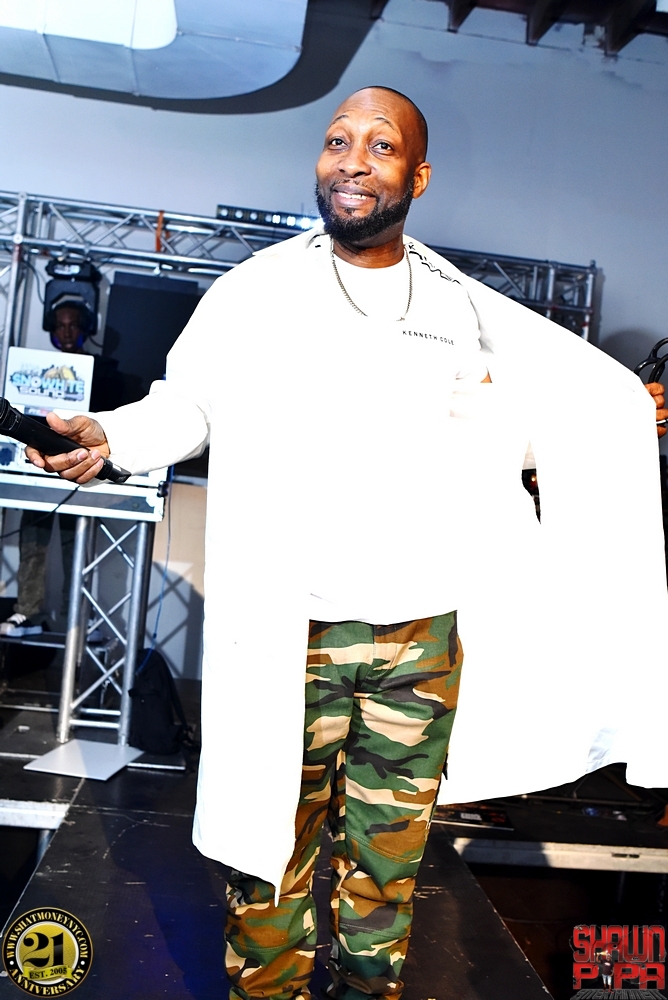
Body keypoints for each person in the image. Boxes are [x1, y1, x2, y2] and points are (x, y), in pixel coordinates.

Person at [24, 87, 668, 1000]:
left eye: (380, 144)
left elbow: (518, 431)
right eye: (336, 140)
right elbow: (189, 406)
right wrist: (111, 436)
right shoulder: (253, 293)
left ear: (418, 175)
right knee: (268, 857)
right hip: (295, 631)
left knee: (387, 869)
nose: (352, 159)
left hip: (420, 639)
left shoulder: (459, 308)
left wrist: (613, 420)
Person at [0, 300, 121, 637]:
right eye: (60, 325)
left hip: (82, 469)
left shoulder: (106, 373)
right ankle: (28, 612)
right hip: (40, 470)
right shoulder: (35, 370)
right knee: (33, 540)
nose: (67, 332)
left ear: (85, 329)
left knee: (77, 544)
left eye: (73, 325)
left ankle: (76, 618)